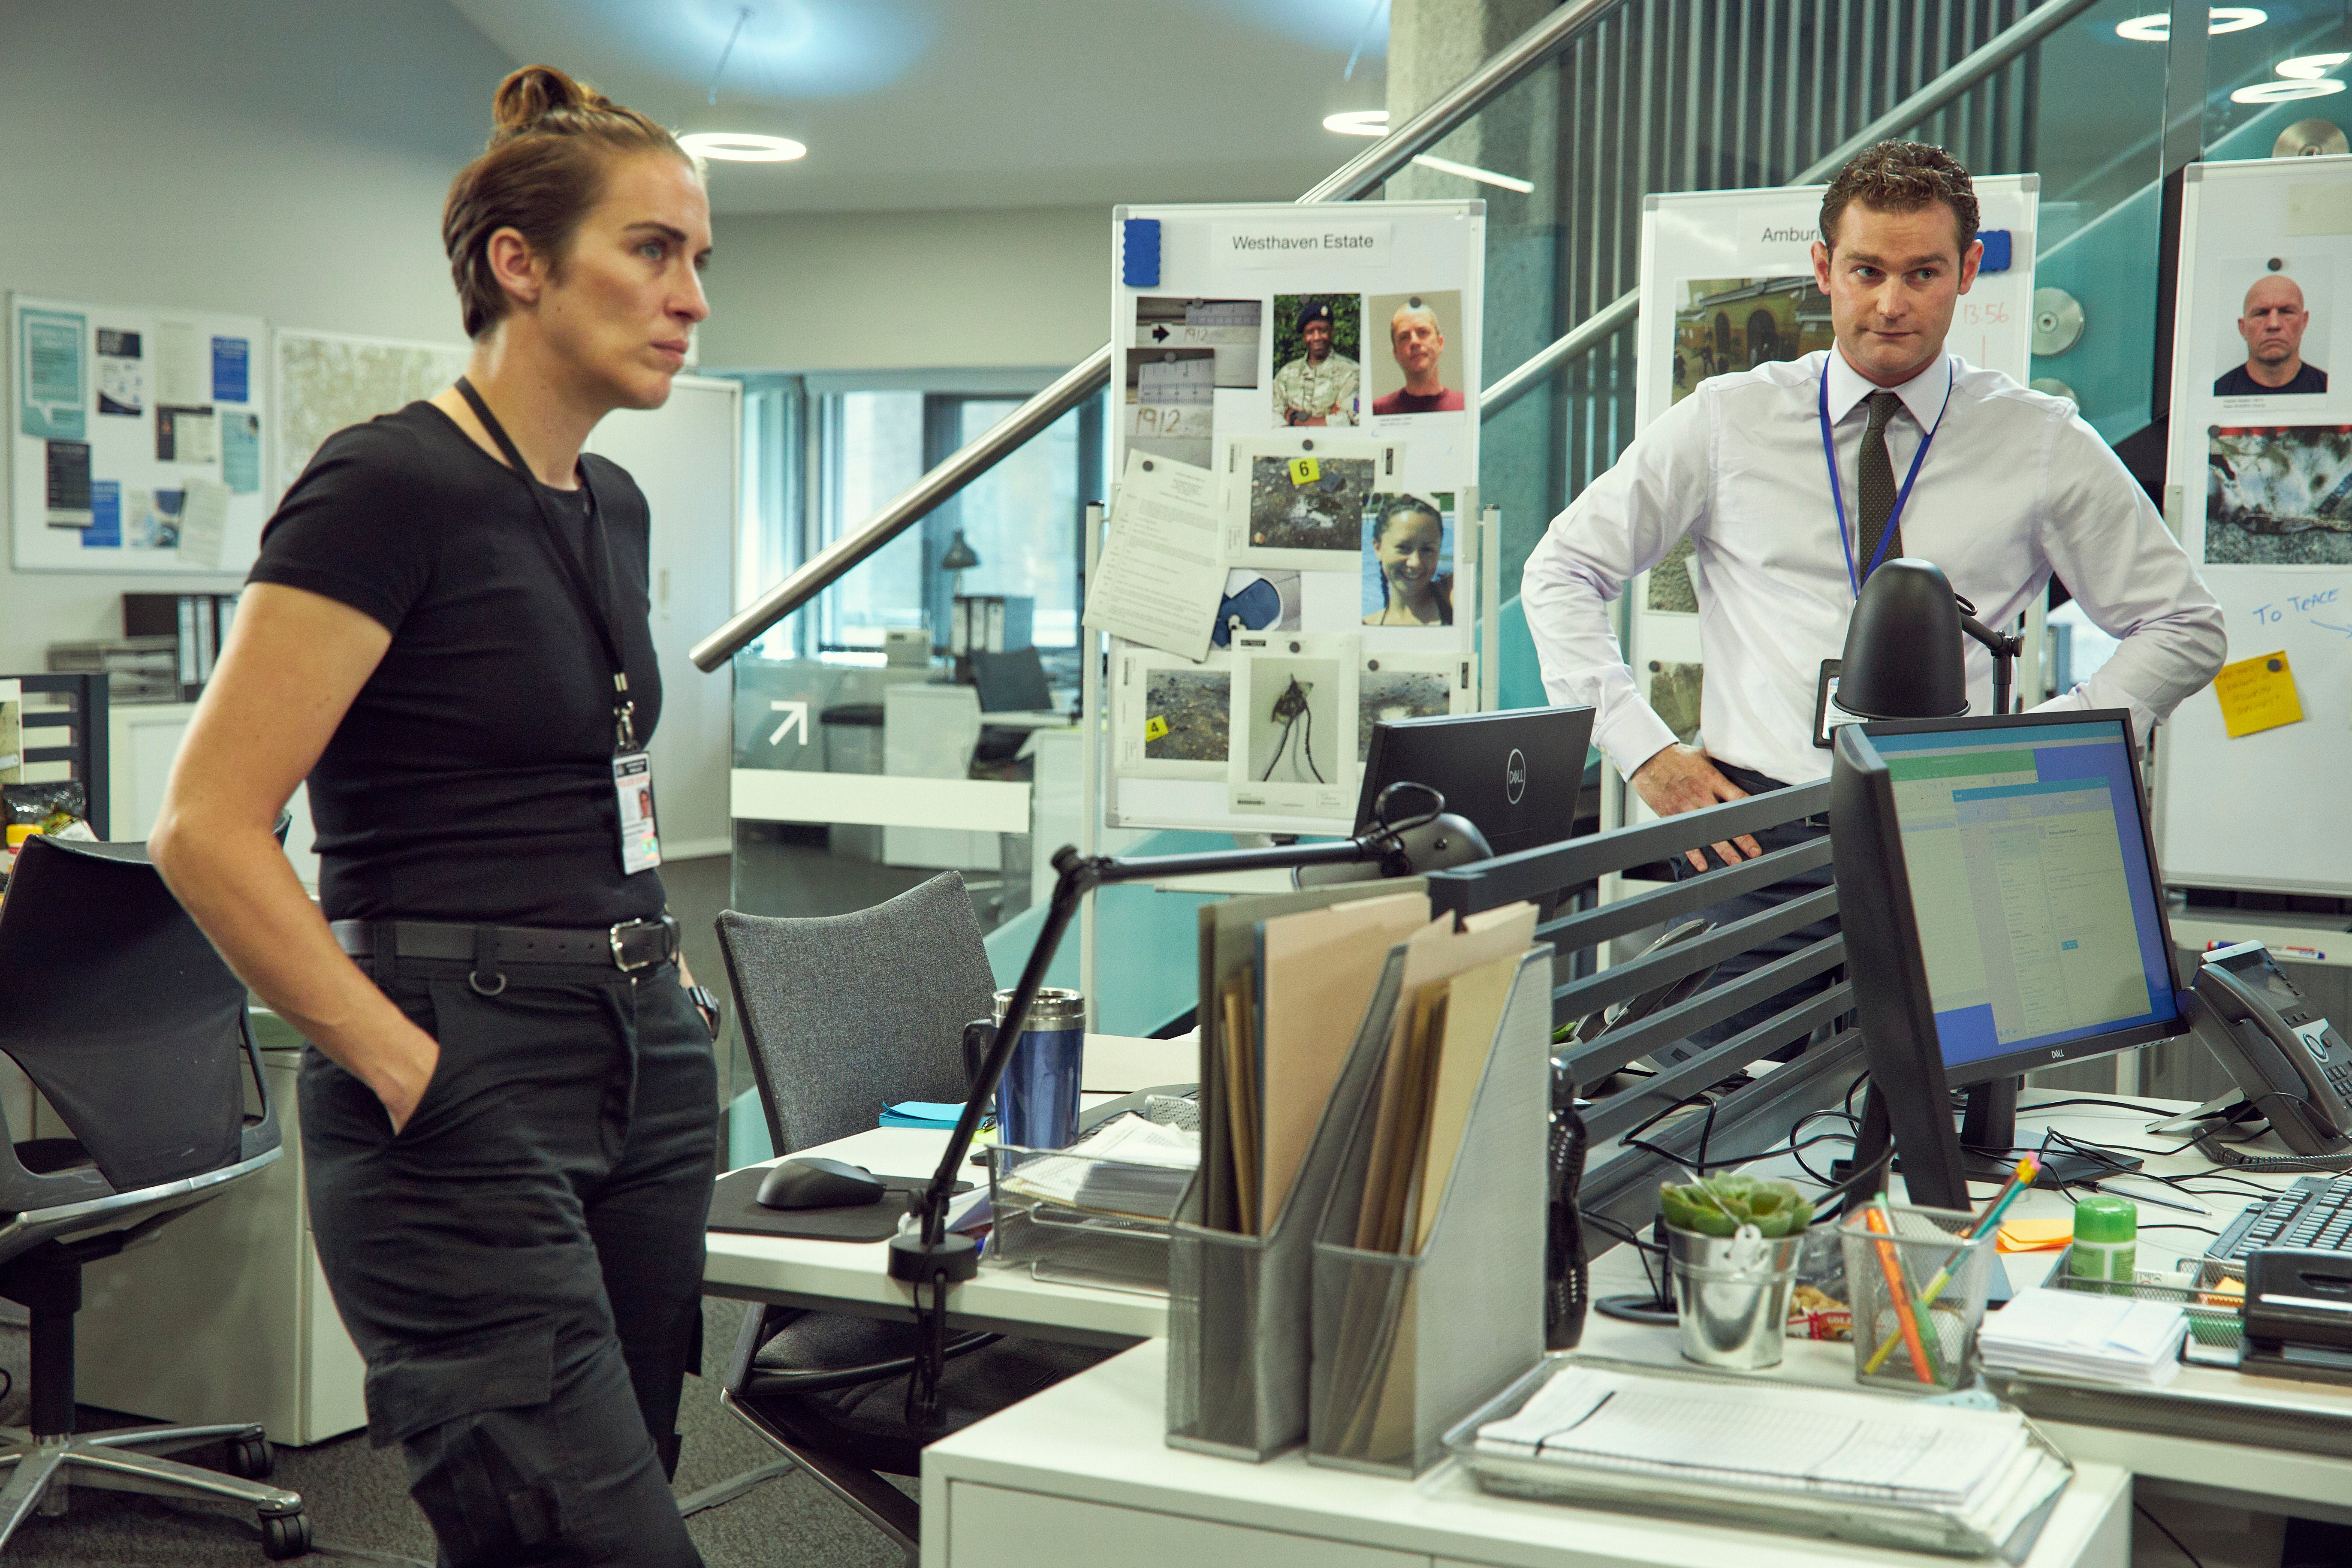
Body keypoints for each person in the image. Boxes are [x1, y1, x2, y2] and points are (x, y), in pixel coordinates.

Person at [151, 65, 717, 1568]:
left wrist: (666, 1014)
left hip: (641, 1057)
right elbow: (206, 826)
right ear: (518, 266)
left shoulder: (611, 500)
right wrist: (409, 1068)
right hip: (457, 1068)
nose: (691, 297)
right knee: (586, 1539)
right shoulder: (386, 486)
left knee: (617, 1493)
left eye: (699, 259)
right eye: (652, 250)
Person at [1521, 139, 2224, 1042]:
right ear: (1823, 269)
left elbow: (2184, 624)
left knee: (1934, 1121)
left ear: (1969, 271)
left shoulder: (2038, 438)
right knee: (1710, 1124)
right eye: (1866, 270)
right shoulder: (1727, 421)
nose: (1891, 303)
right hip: (1758, 835)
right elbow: (1562, 569)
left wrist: (2050, 753)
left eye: (1923, 272)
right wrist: (1644, 751)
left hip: (1955, 837)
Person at [2216, 274, 2328, 395]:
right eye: (2261, 314)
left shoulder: (2331, 390)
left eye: (2286, 312)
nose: (2273, 325)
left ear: (2304, 322)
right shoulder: (2218, 394)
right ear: (2243, 328)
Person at [1362, 494, 1454, 625]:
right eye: (1403, 548)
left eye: (1427, 550)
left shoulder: (1451, 596)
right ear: (1378, 548)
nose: (1415, 563)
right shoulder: (1368, 625)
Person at [1371, 298, 1465, 414]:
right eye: (1404, 337)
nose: (1414, 342)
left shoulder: (1465, 406)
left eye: (1423, 332)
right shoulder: (1378, 411)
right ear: (1396, 353)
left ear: (1440, 343)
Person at [1272, 299, 1359, 425]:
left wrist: (1295, 419)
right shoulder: (1286, 374)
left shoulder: (1352, 372)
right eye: (1310, 332)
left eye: (1323, 331)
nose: (1317, 337)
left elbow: (1354, 420)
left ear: (1332, 332)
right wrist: (1327, 420)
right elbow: (1273, 417)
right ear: (1304, 337)